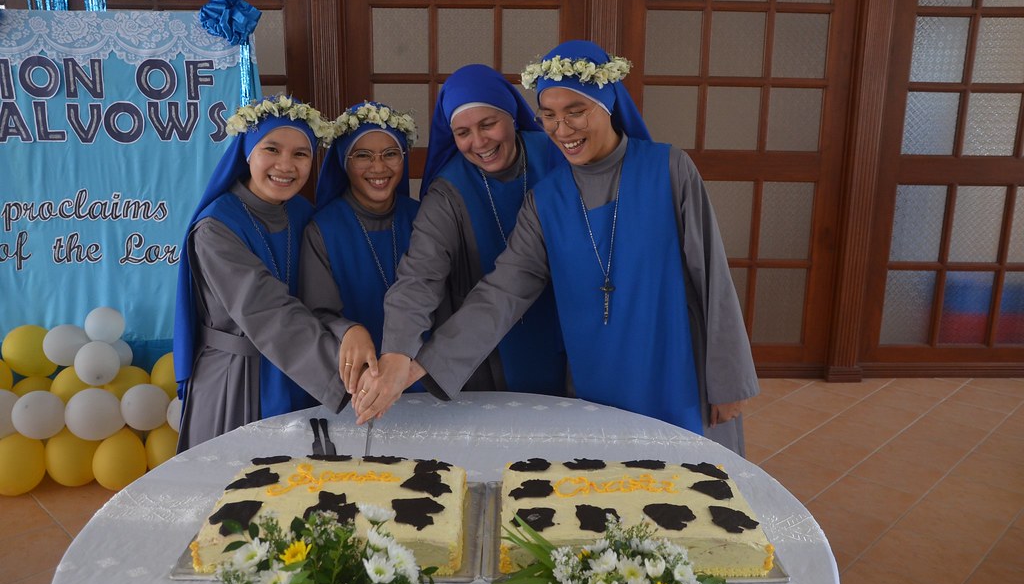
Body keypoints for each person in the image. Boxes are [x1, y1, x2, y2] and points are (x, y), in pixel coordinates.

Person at [356, 41, 758, 456]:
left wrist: (729, 380)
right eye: (548, 115)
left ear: (608, 103)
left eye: (575, 112)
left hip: (673, 362)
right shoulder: (546, 199)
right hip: (594, 372)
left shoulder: (669, 168)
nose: (562, 130)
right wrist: (416, 361)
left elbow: (712, 279)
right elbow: (503, 291)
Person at [376, 64, 567, 396]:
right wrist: (397, 350)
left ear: (510, 114)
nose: (479, 142)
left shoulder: (557, 154)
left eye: (488, 124)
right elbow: (419, 275)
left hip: (568, 320)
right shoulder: (448, 190)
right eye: (462, 133)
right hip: (489, 339)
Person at [173, 94, 348, 451]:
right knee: (237, 492)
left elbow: (322, 297)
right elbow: (265, 310)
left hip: (301, 372)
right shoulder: (216, 227)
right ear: (248, 152)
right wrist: (345, 378)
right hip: (237, 379)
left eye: (300, 154)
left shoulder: (303, 212)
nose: (286, 165)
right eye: (272, 149)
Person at [299, 101, 422, 396]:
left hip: (419, 372)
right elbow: (318, 313)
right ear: (344, 161)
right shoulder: (323, 229)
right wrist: (348, 331)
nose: (379, 167)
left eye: (391, 154)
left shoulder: (422, 217)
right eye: (363, 156)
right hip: (356, 381)